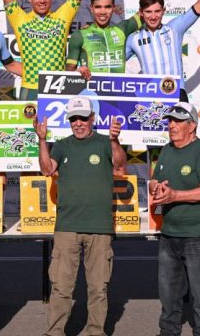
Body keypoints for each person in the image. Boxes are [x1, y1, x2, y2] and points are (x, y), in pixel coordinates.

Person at [34, 96, 127, 336]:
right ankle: (54, 332)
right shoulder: (63, 145)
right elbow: (46, 169)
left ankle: (95, 332)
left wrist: (115, 140)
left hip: (100, 227)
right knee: (61, 288)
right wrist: (42, 139)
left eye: (83, 118)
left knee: (98, 289)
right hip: (67, 227)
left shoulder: (106, 142)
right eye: (73, 118)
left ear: (92, 118)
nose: (78, 123)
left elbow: (120, 165)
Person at [149, 101, 200, 336]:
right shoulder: (167, 150)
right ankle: (168, 332)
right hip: (170, 234)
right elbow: (154, 179)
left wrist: (175, 195)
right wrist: (156, 187)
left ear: (191, 126)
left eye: (178, 121)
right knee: (169, 296)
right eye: (170, 120)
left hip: (199, 236)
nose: (171, 125)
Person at [65, 0, 150, 79]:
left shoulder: (121, 29)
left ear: (114, 8)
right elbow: (67, 74)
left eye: (107, 7)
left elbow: (146, 11)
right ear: (91, 8)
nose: (103, 12)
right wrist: (78, 72)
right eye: (98, 7)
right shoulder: (79, 35)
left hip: (117, 92)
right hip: (90, 94)